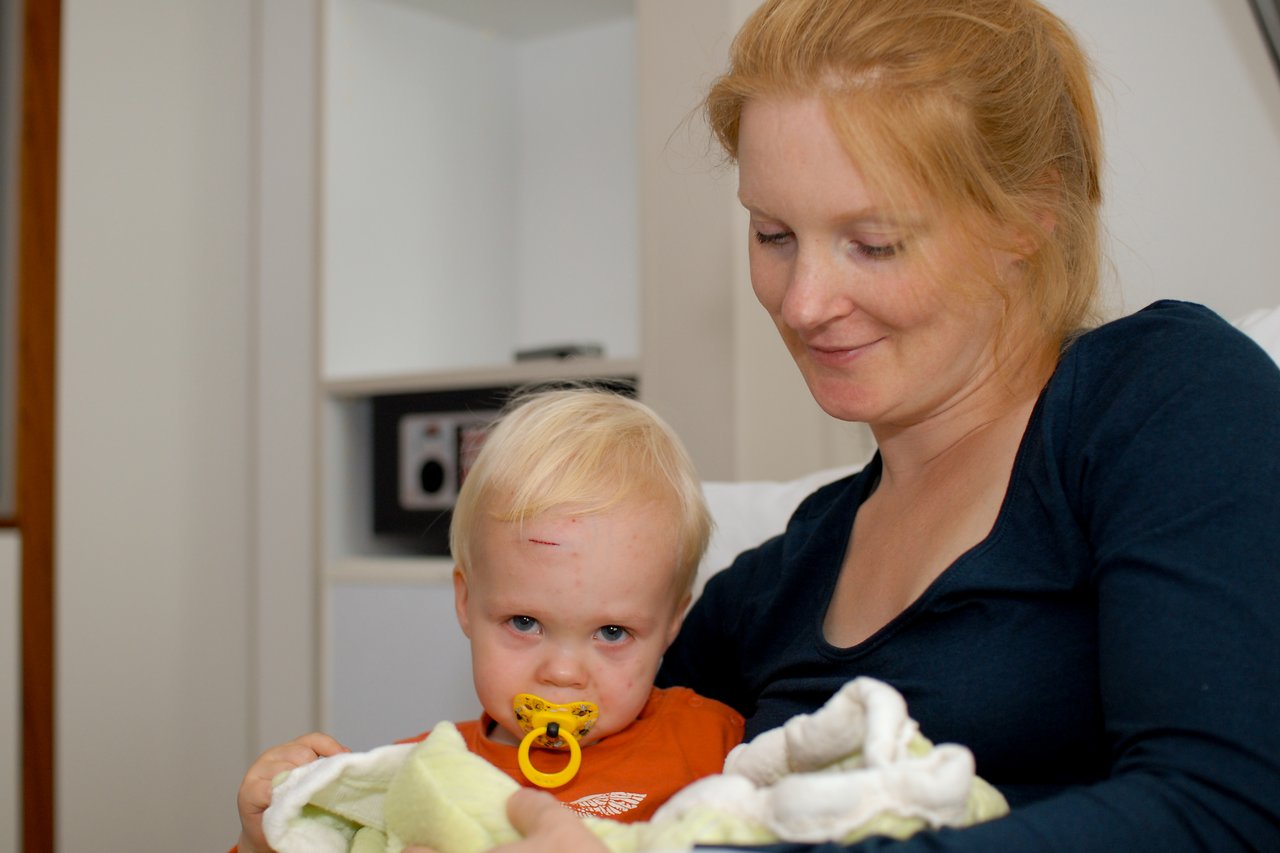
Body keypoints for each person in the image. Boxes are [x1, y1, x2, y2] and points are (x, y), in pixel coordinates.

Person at [478, 0, 1280, 850]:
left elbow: (1225, 811)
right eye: (773, 233)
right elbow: (566, 770)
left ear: (1028, 216)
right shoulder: (772, 586)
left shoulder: (1160, 400)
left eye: (875, 242)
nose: (803, 302)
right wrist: (365, 791)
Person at [235, 388, 744, 853]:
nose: (563, 673)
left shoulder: (712, 742)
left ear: (673, 622)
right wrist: (266, 838)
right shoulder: (412, 774)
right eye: (524, 622)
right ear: (465, 602)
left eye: (612, 633)